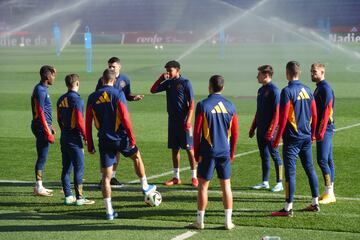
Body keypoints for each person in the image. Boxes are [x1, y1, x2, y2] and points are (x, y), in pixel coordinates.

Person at [86, 69, 156, 220]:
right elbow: (125, 117)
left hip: (104, 139)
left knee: (106, 177)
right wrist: (132, 137)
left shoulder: (92, 97)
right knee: (136, 156)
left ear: (102, 80)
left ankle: (109, 211)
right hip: (121, 137)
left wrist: (89, 143)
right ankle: (145, 186)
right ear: (113, 80)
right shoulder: (118, 94)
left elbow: (88, 122)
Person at [189, 75, 238, 230]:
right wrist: (231, 152)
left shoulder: (203, 105)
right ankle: (228, 222)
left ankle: (200, 221)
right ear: (222, 88)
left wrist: (197, 154)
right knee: (226, 186)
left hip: (208, 152)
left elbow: (196, 133)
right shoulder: (230, 106)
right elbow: (235, 133)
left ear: (209, 86)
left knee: (203, 187)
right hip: (224, 152)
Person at [271, 61, 319, 217]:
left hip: (292, 139)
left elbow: (284, 118)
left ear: (287, 73)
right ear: (299, 72)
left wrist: (277, 138)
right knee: (310, 169)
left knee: (290, 173)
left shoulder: (287, 91)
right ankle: (315, 203)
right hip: (306, 137)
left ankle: (287, 208)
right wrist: (312, 135)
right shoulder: (307, 89)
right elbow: (315, 114)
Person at [95, 57, 144, 188]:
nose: (111, 68)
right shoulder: (102, 80)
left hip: (120, 119)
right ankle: (103, 178)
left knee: (116, 149)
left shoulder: (125, 80)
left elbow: (127, 95)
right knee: (109, 150)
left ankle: (113, 177)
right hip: (107, 118)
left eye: (113, 66)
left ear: (119, 67)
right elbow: (97, 97)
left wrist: (134, 98)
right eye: (109, 66)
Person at [150, 60, 198, 187]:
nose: (168, 73)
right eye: (166, 71)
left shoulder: (185, 83)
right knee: (174, 149)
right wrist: (161, 78)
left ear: (178, 70)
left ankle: (194, 176)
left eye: (170, 70)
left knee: (189, 149)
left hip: (184, 121)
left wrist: (188, 121)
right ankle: (176, 177)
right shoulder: (168, 83)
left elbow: (192, 103)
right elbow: (153, 90)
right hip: (172, 121)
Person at [57, 74, 95, 206]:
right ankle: (79, 198)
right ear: (77, 83)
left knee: (66, 168)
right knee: (79, 167)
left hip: (64, 136)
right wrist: (86, 137)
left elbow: (59, 119)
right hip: (74, 138)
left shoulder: (61, 99)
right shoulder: (77, 100)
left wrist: (65, 132)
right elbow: (79, 120)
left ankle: (68, 196)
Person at [249, 65, 283, 192]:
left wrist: (271, 131)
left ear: (266, 75)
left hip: (271, 131)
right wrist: (253, 127)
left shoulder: (274, 91)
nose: (257, 76)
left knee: (275, 155)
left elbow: (277, 113)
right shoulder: (260, 90)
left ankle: (279, 182)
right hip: (261, 130)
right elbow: (259, 111)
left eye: (259, 74)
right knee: (264, 155)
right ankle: (265, 181)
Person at [311, 63, 336, 204]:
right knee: (328, 160)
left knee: (322, 160)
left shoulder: (324, 88)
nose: (312, 74)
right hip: (325, 128)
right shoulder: (320, 88)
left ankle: (329, 192)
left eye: (315, 71)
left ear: (322, 72)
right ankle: (330, 192)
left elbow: (326, 111)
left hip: (325, 129)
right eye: (311, 71)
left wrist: (319, 132)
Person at [31, 65, 56, 197]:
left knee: (43, 156)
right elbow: (40, 112)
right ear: (47, 76)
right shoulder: (40, 90)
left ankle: (39, 185)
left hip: (43, 126)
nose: (54, 78)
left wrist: (50, 126)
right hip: (40, 127)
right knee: (42, 156)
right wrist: (47, 131)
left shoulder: (42, 89)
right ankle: (38, 186)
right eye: (53, 75)